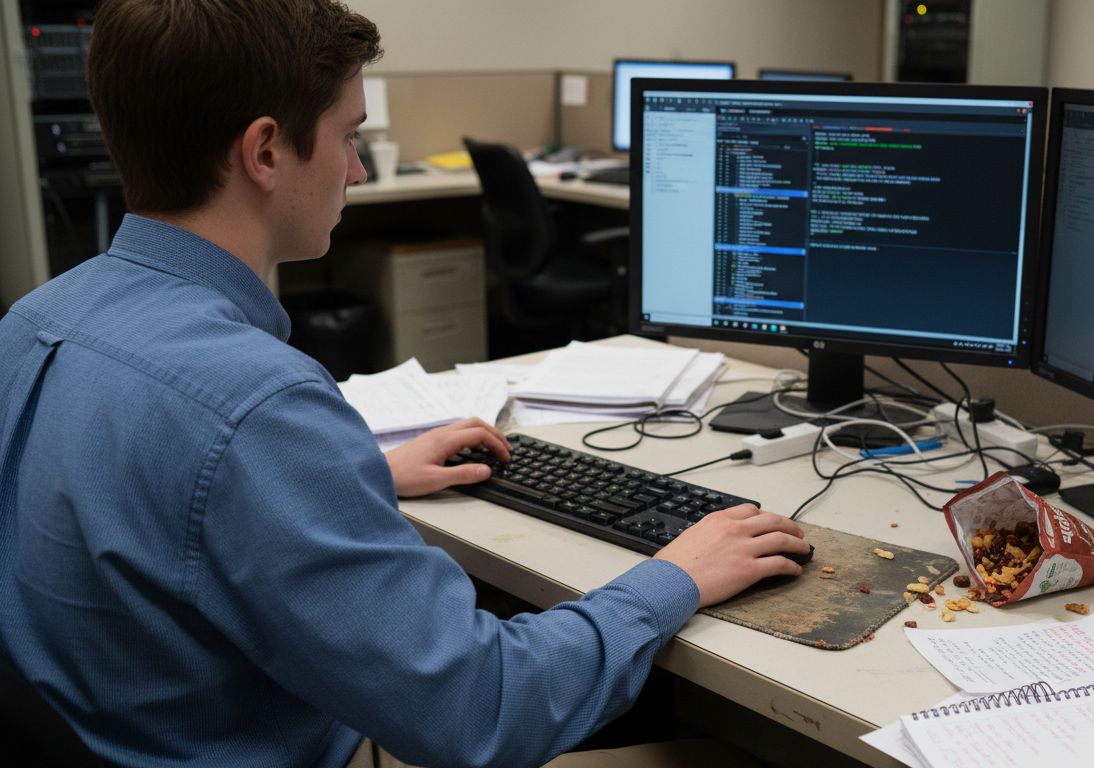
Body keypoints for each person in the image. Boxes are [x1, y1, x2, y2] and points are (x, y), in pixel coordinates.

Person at [0, 1, 811, 767]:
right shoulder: (256, 407)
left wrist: (359, 478)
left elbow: (144, 512)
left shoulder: (33, 322)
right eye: (348, 135)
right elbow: (483, 711)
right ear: (265, 151)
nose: (356, 168)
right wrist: (676, 574)